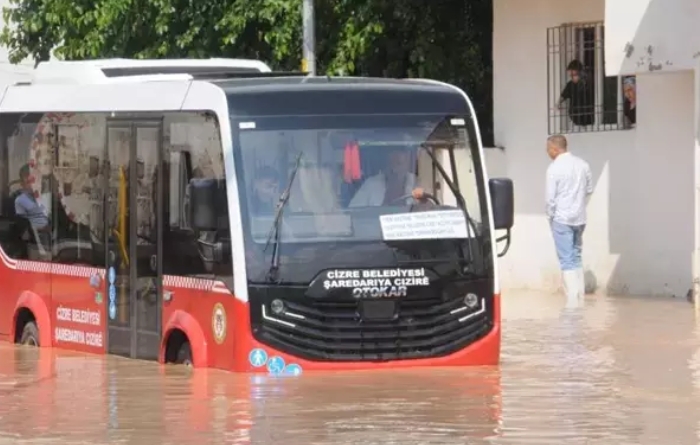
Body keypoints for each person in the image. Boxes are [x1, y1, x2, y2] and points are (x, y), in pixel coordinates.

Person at [545, 135, 593, 307]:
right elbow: (589, 189)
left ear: (555, 149)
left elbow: (550, 199)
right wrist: (578, 205)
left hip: (561, 218)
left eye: (548, 149)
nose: (547, 153)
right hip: (580, 218)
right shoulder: (583, 164)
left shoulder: (554, 168)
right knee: (576, 255)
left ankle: (572, 301)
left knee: (566, 259)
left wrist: (550, 217)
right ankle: (581, 296)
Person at [349, 147, 416, 207]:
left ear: (407, 163)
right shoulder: (371, 184)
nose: (394, 170)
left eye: (399, 163)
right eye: (392, 163)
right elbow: (353, 212)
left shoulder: (418, 182)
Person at [14, 164, 51, 248]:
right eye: (28, 182)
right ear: (22, 184)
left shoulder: (50, 198)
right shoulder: (17, 201)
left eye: (36, 181)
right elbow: (21, 231)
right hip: (30, 248)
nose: (33, 186)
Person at [558, 60, 594, 128]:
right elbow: (563, 96)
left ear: (580, 73)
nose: (572, 77)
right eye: (570, 75)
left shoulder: (588, 84)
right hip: (575, 118)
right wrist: (558, 104)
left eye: (574, 75)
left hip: (588, 116)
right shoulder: (570, 85)